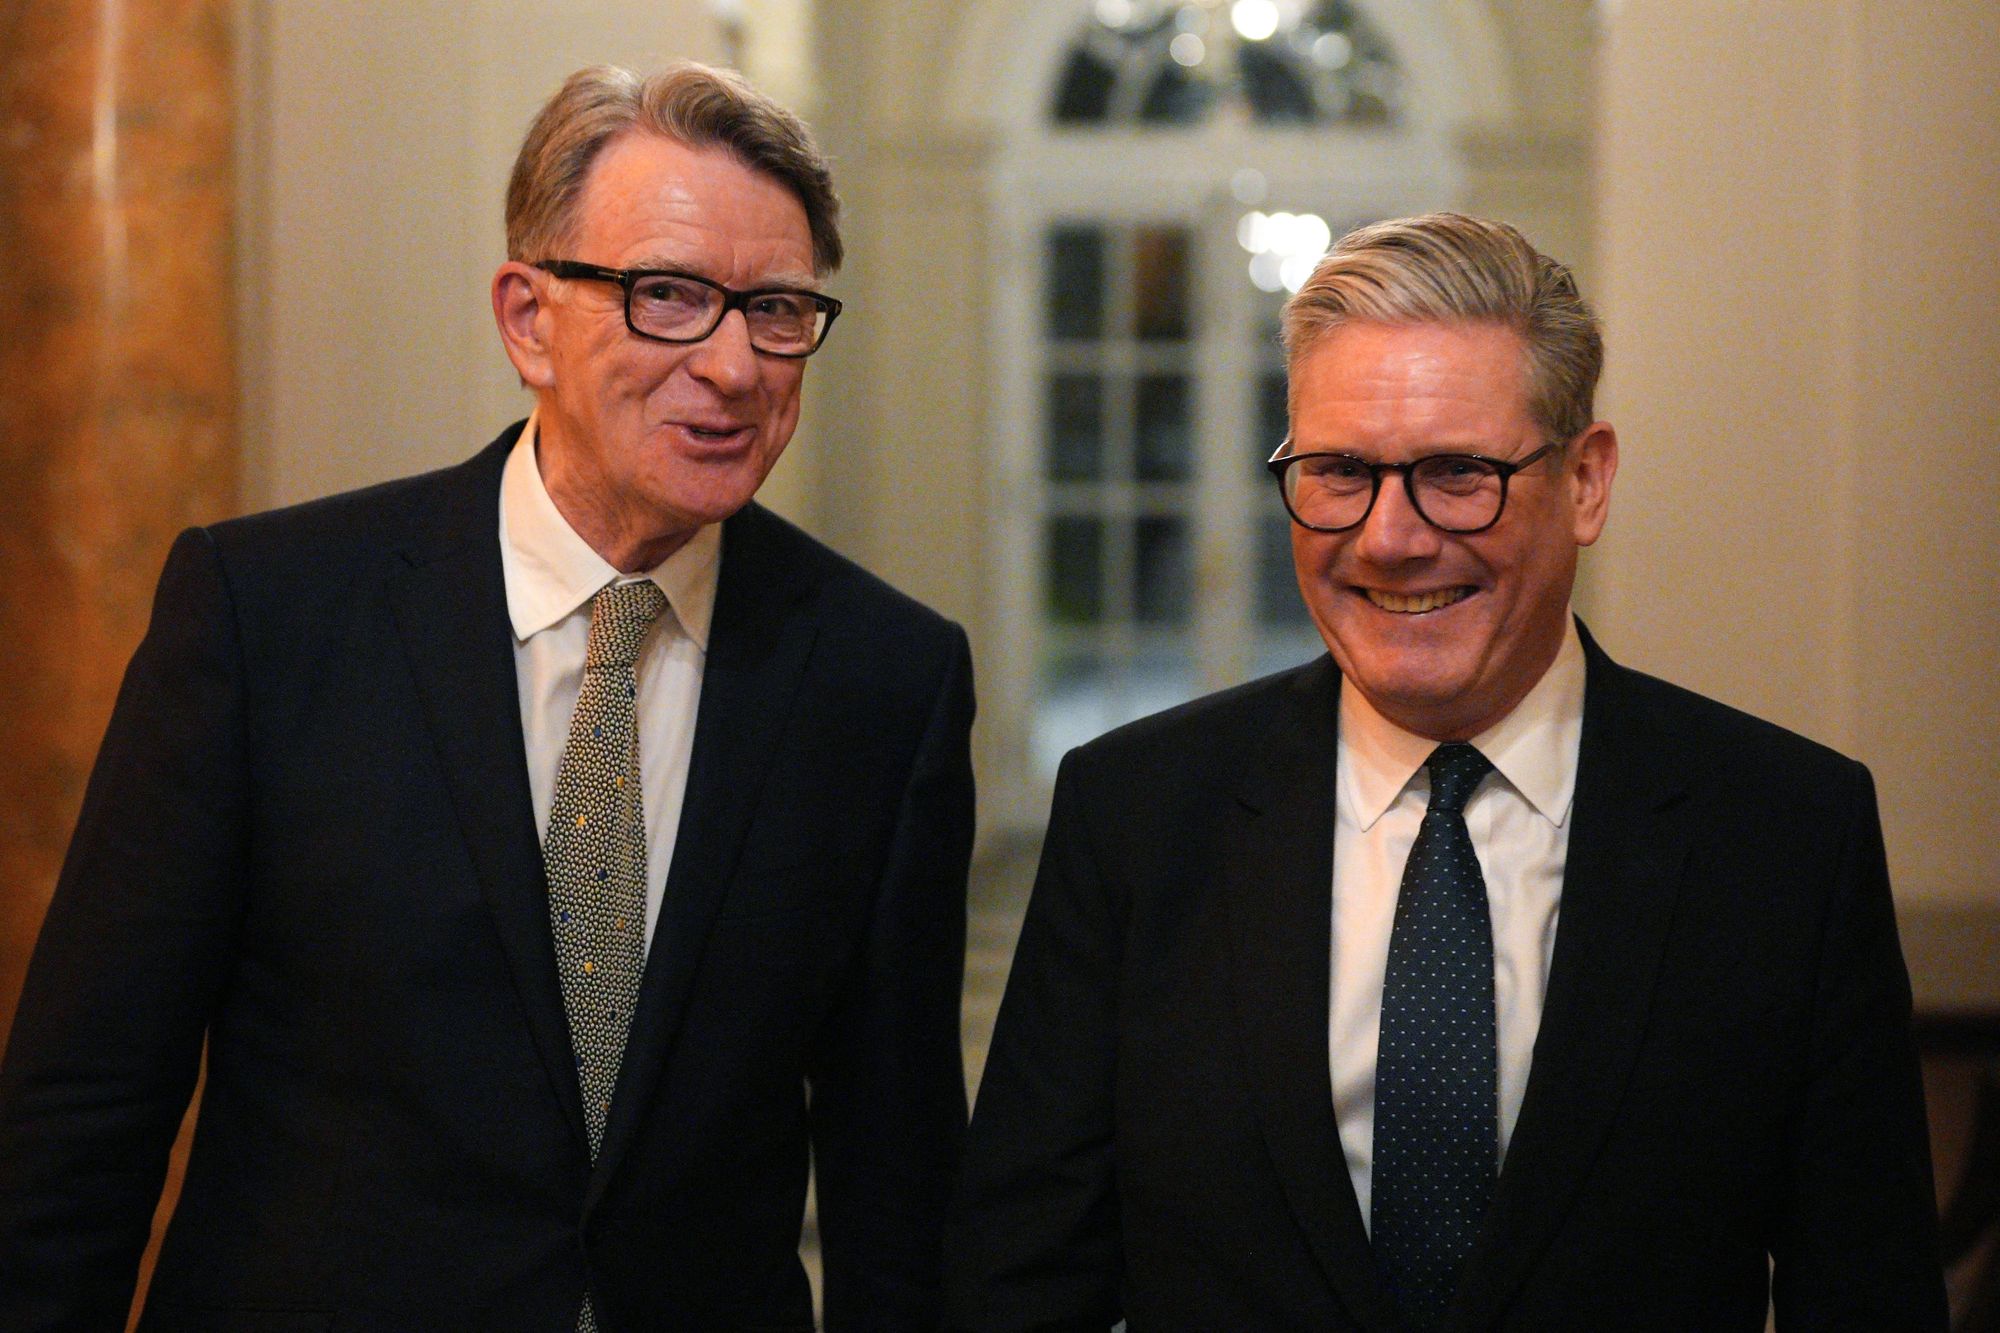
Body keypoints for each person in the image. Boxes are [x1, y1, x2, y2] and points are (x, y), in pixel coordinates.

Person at [0, 63, 973, 1331]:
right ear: (528, 318)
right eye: (667, 296)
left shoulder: (881, 679)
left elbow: (895, 1177)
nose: (734, 363)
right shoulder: (268, 616)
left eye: (777, 309)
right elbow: (87, 1106)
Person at [944, 213, 1944, 1331]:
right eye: (1336, 473)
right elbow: (1020, 1285)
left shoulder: (1782, 836)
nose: (1387, 538)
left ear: (1585, 481)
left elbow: (1866, 1292)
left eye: (1455, 473)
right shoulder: (1135, 816)